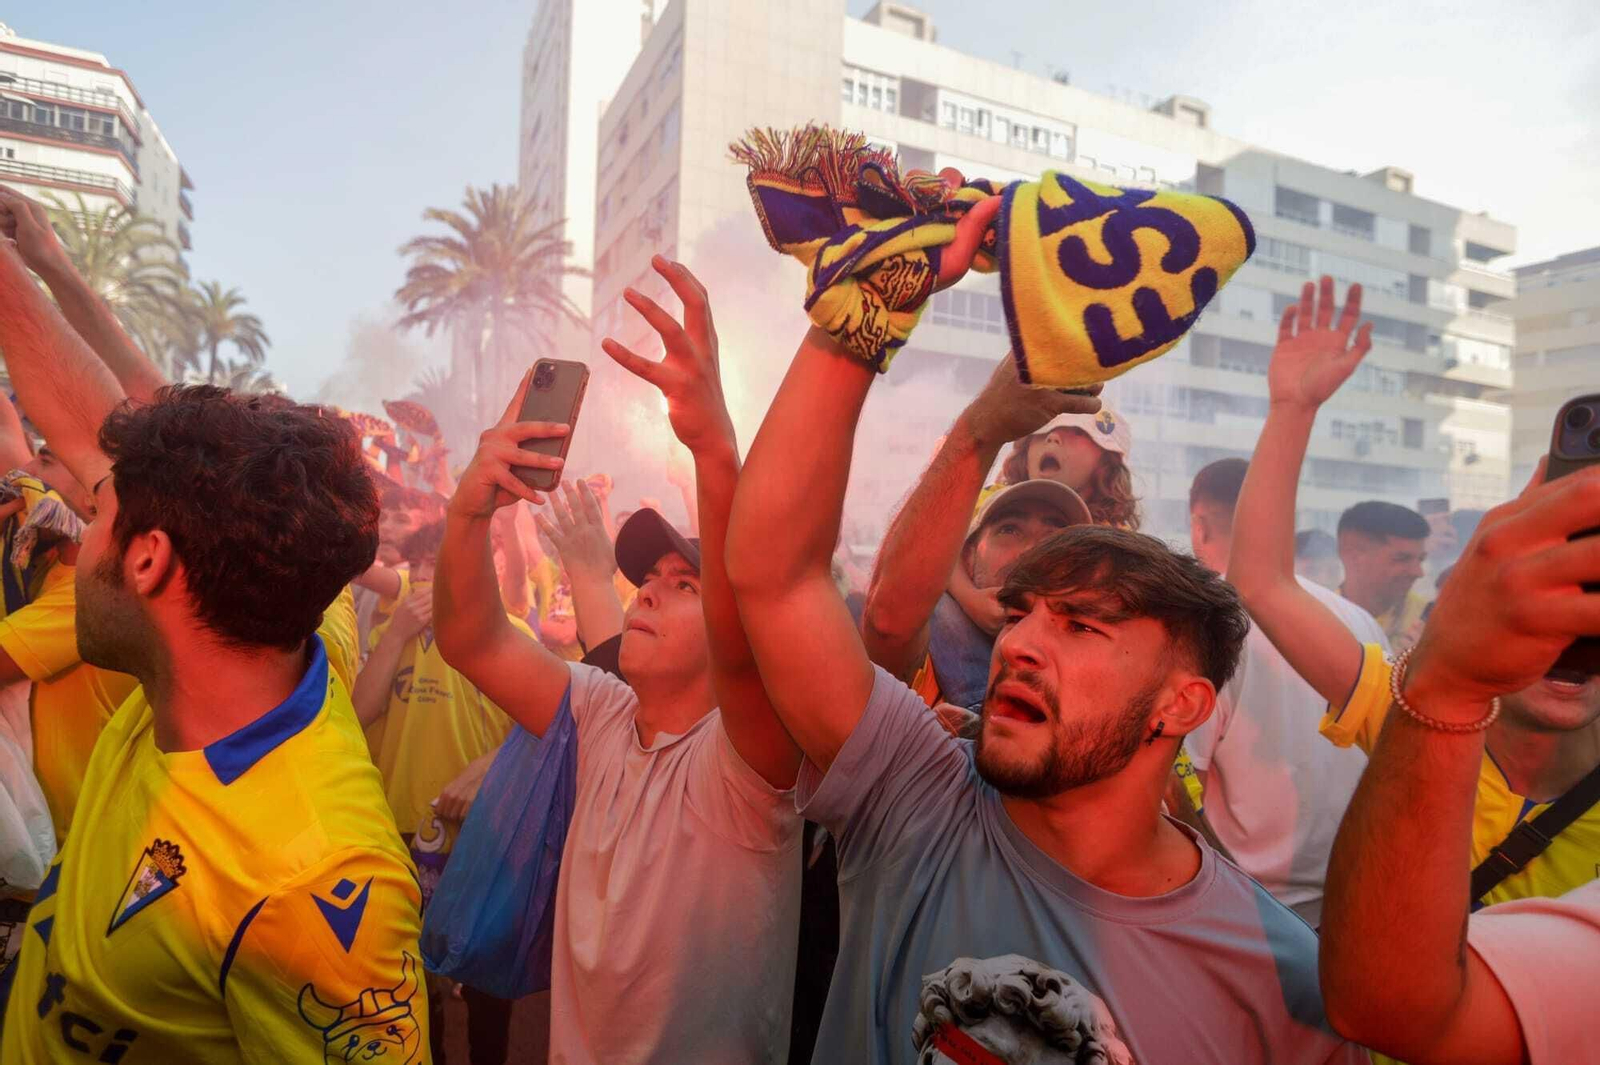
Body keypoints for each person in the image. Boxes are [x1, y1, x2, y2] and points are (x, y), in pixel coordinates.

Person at [725, 188, 1362, 1063]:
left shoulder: (1283, 985)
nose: (1021, 641)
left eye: (1082, 626)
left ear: (1182, 704)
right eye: (1023, 611)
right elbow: (775, 577)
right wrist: (861, 322)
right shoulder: (918, 799)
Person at [0, 206, 428, 1061]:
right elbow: (91, 420)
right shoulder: (278, 634)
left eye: (96, 512)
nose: (78, 520)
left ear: (150, 562)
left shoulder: (315, 884)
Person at [435, 255, 802, 1063]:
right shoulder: (600, 712)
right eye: (648, 578)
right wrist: (470, 508)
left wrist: (713, 446)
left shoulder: (747, 769)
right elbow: (471, 638)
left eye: (683, 584)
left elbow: (755, 618)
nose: (648, 592)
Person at [1229, 275, 1600, 912]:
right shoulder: (1418, 717)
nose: (1569, 637)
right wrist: (1294, 409)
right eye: (1541, 609)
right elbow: (1262, 583)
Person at [1319, 460, 1600, 1065]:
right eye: (1537, 617)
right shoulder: (1407, 708)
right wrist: (1444, 691)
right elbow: (1385, 1009)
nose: (1567, 640)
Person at [1187, 454, 1386, 926]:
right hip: (1351, 898)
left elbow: (1179, 785)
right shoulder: (1358, 620)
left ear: (1198, 525)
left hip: (1245, 910)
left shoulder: (1204, 624)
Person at [1337, 499, 1430, 648]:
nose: (1418, 572)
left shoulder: (1429, 621)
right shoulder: (1315, 616)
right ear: (1354, 557)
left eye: (1421, 559)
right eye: (1402, 558)